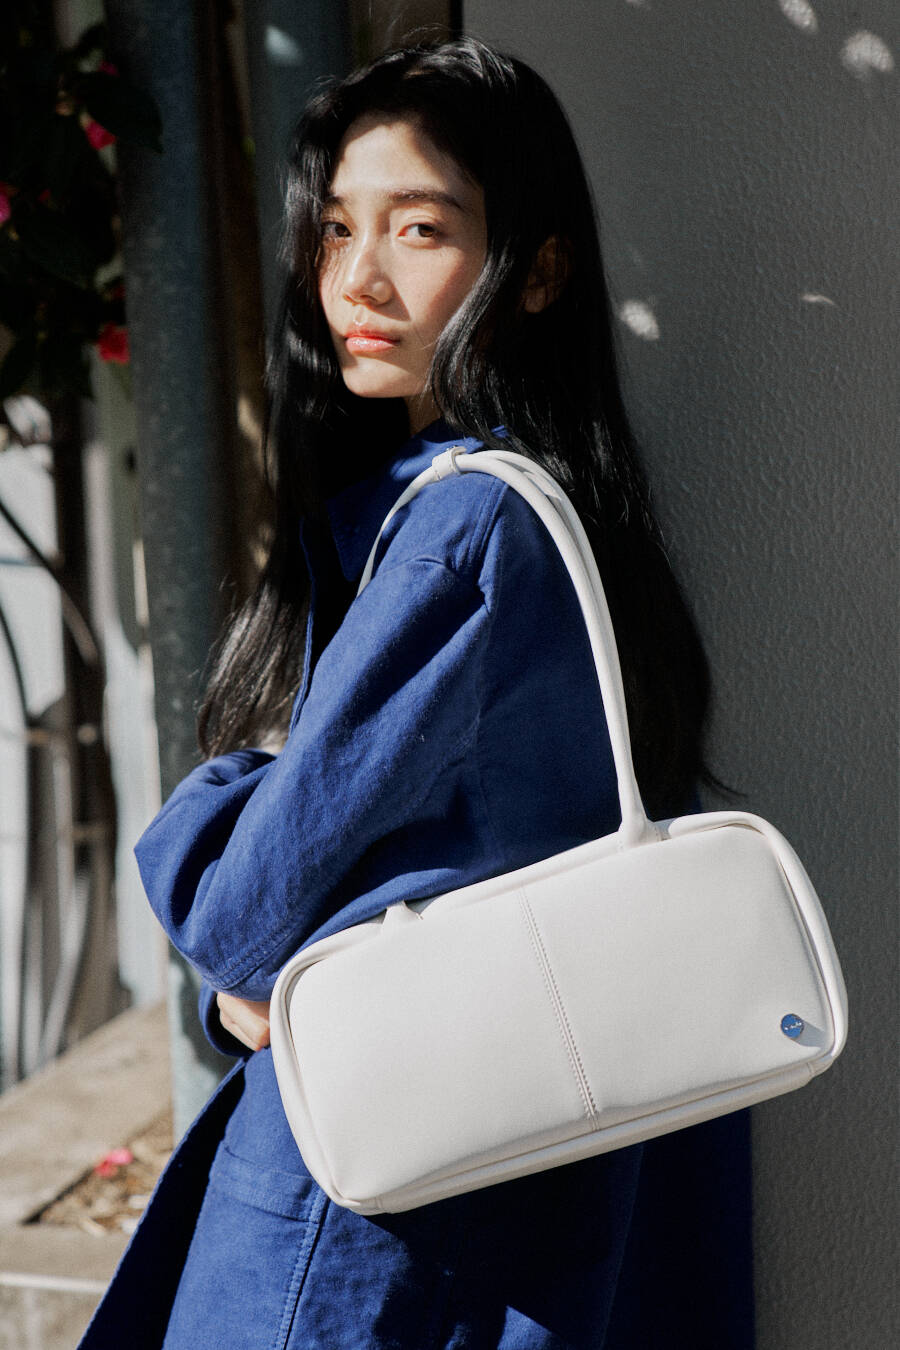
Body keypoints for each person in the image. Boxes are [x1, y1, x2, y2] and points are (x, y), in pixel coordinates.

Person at [80, 37, 753, 1350]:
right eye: (337, 229)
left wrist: (222, 801)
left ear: (538, 270)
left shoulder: (464, 533)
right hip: (481, 1182)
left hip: (364, 1210)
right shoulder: (539, 513)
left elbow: (240, 914)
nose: (357, 280)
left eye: (421, 228)